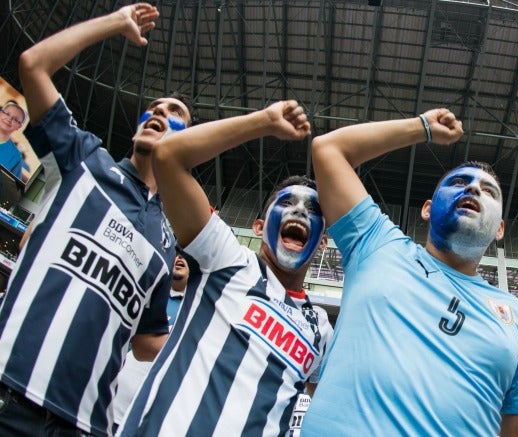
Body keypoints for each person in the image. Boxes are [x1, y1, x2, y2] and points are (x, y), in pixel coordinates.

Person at [0, 4, 189, 436]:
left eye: (174, 113)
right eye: (154, 107)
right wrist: (114, 23)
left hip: (83, 426)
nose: (158, 112)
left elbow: (146, 341)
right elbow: (33, 65)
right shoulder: (85, 160)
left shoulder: (166, 240)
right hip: (9, 394)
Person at [301, 109, 518, 436]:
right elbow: (328, 149)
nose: (472, 189)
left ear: (500, 229)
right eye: (459, 182)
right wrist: (422, 128)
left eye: (489, 191)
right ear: (427, 209)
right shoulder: (376, 244)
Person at [117, 101, 333, 436]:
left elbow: (318, 407)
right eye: (287, 203)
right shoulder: (226, 258)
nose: (300, 212)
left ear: (321, 242)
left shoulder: (320, 328)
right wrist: (263, 121)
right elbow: (168, 157)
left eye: (312, 209)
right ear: (259, 227)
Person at [112, 252, 190, 426]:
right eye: (177, 254)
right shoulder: (148, 296)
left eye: (187, 257)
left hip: (149, 421)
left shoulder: (195, 313)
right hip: (111, 407)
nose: (180, 258)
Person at [0, 100, 31, 182]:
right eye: (7, 114)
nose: (9, 119)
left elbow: (10, 189)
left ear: (19, 126)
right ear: (0, 113)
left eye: (15, 119)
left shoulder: (15, 158)